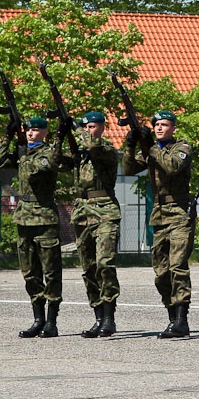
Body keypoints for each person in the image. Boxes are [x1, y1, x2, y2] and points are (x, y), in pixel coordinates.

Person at [122, 109, 195, 338]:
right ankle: (172, 317)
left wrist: (150, 146)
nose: (160, 128)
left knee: (178, 267)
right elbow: (128, 169)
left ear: (174, 128)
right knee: (161, 272)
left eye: (164, 124)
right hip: (159, 214)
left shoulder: (182, 148)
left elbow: (172, 167)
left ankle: (182, 321)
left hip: (180, 213)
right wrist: (131, 145)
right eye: (156, 125)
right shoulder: (152, 151)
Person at [0, 116, 66, 338]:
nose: (32, 133)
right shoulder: (22, 153)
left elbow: (40, 169)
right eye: (28, 130)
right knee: (30, 273)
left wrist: (24, 152)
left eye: (36, 130)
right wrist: (7, 136)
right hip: (24, 218)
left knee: (51, 272)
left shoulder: (48, 152)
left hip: (44, 218)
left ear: (44, 133)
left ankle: (51, 321)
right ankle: (38, 318)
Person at [69, 111, 122, 338]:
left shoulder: (107, 150)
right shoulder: (80, 154)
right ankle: (98, 316)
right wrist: (62, 134)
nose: (89, 130)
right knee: (88, 268)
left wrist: (77, 129)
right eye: (86, 127)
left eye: (92, 126)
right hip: (82, 211)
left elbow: (93, 147)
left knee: (105, 263)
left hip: (105, 210)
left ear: (102, 127)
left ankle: (109, 318)